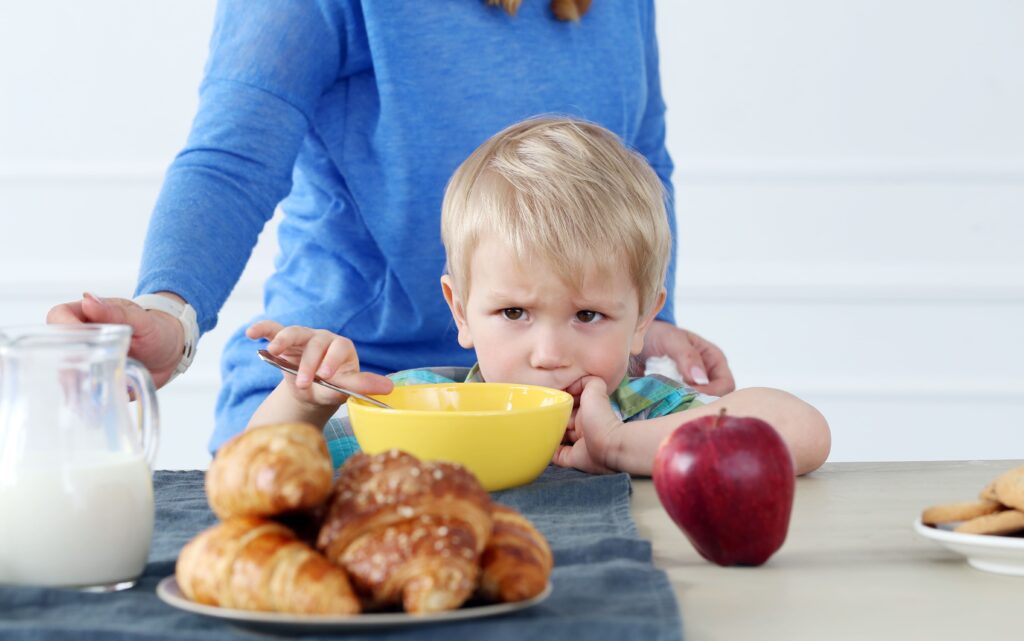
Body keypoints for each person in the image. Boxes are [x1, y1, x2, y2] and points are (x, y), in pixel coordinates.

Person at [46, 0, 736, 453]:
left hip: (568, 427)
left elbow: (642, 162)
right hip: (349, 397)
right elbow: (233, 161)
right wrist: (171, 312)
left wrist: (636, 320)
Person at [247, 118, 830, 476]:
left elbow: (801, 430)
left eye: (588, 315)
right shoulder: (420, 409)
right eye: (514, 312)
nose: (549, 354)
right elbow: (256, 466)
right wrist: (305, 403)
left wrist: (620, 446)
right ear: (460, 311)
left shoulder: (649, 414)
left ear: (642, 322)